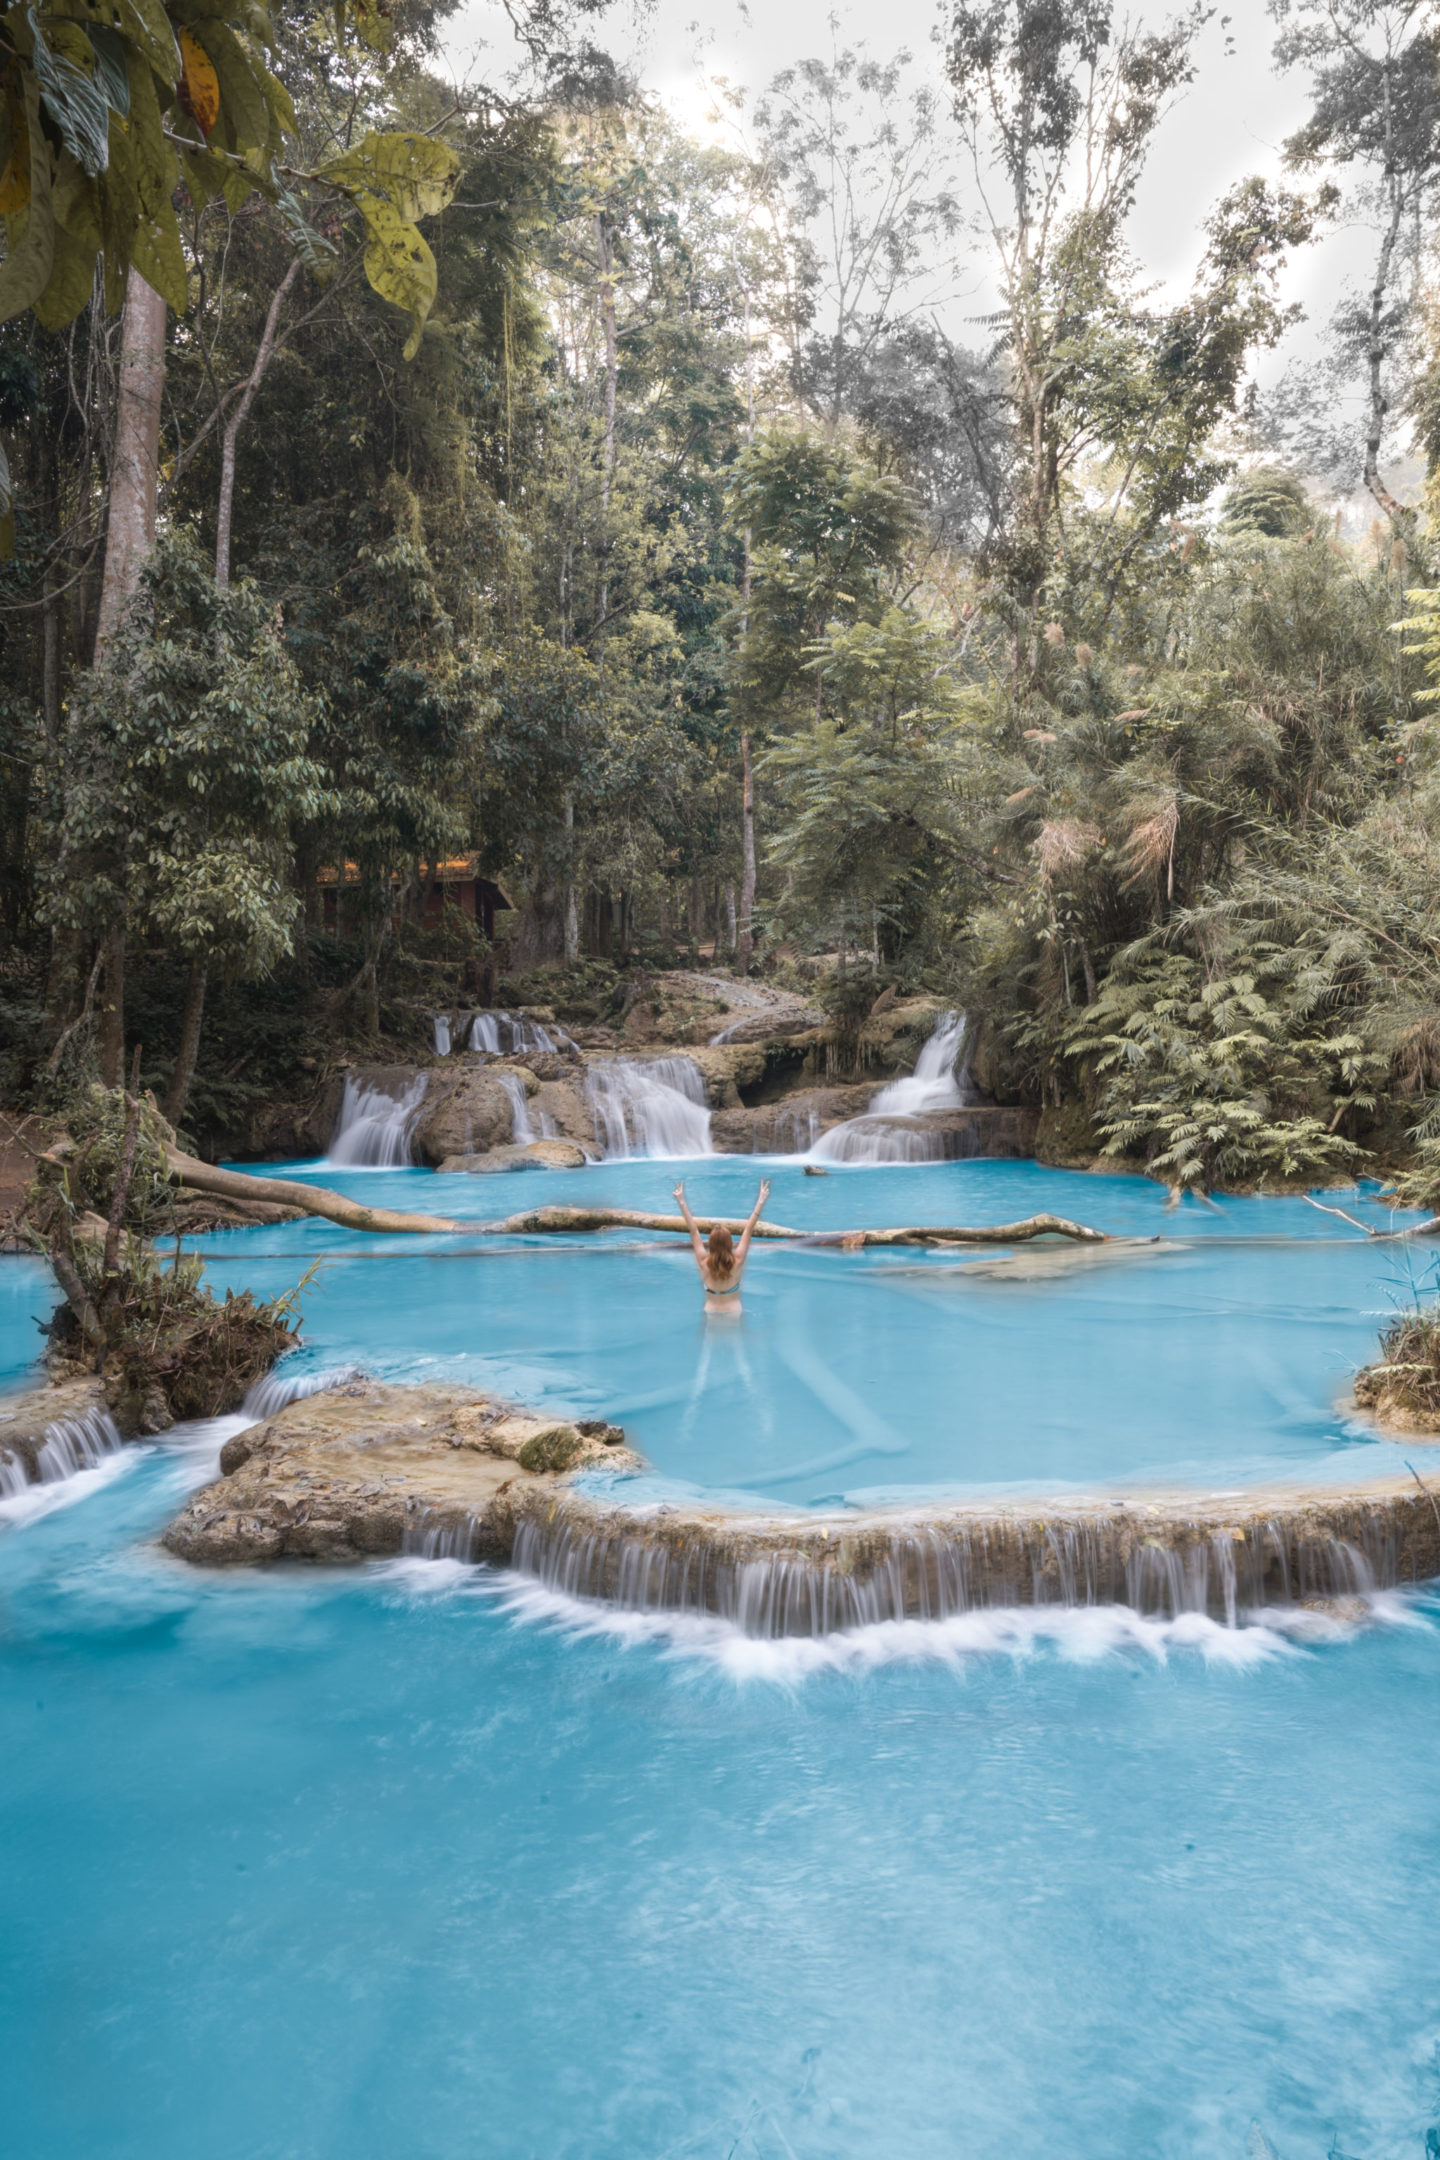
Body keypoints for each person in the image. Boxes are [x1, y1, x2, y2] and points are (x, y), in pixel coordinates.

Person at [673, 1179, 771, 1317]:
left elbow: (693, 1230)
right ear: (729, 1243)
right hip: (733, 1311)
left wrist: (681, 1202)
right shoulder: (737, 1261)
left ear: (711, 1244)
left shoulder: (703, 1262)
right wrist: (760, 1201)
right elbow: (748, 1229)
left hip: (711, 1311)